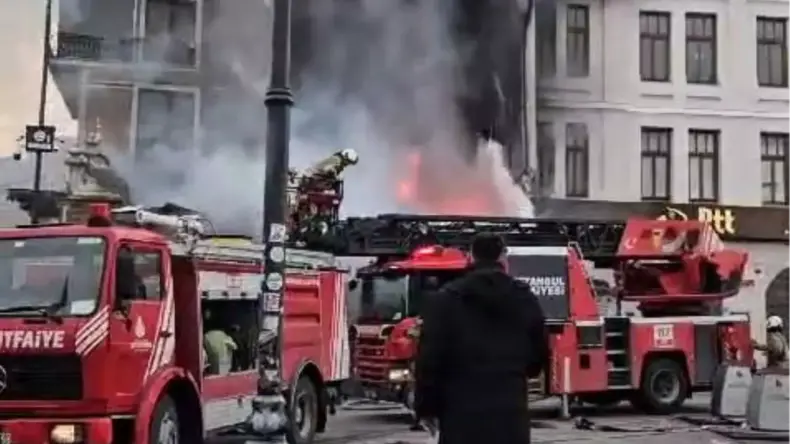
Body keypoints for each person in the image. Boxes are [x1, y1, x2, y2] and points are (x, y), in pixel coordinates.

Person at [414, 233, 549, 444]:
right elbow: (539, 353)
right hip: (510, 412)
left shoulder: (447, 299)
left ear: (470, 256)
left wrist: (426, 408)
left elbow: (429, 359)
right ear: (503, 257)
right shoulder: (525, 298)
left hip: (460, 413)